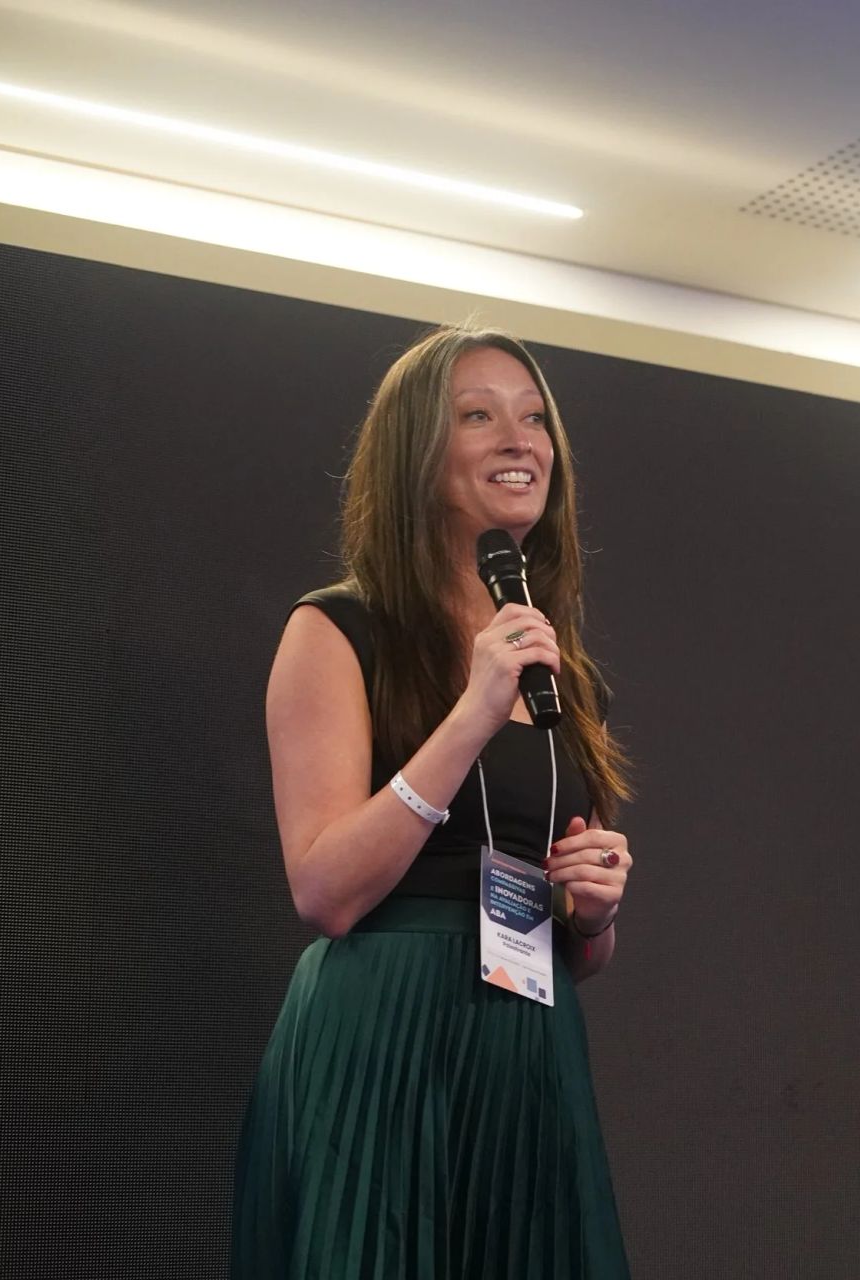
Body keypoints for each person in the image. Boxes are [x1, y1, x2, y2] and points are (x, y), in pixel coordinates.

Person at [232, 325, 635, 1278]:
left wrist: (594, 911)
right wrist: (470, 715)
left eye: (534, 418)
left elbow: (575, 950)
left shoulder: (554, 664)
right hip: (383, 1031)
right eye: (478, 416)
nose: (521, 440)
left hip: (523, 1041)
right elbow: (325, 892)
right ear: (416, 450)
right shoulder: (337, 629)